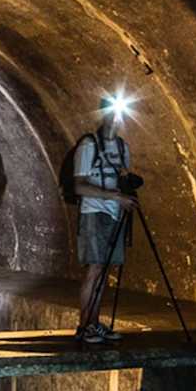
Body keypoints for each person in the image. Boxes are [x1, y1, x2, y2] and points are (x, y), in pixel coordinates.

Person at [72, 98, 137, 344]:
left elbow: (122, 178)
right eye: (113, 113)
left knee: (103, 270)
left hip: (114, 214)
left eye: (121, 114)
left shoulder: (122, 147)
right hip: (94, 213)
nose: (117, 119)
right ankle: (84, 326)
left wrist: (126, 193)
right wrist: (114, 196)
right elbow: (79, 186)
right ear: (103, 114)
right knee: (95, 268)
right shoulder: (89, 145)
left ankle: (94, 322)